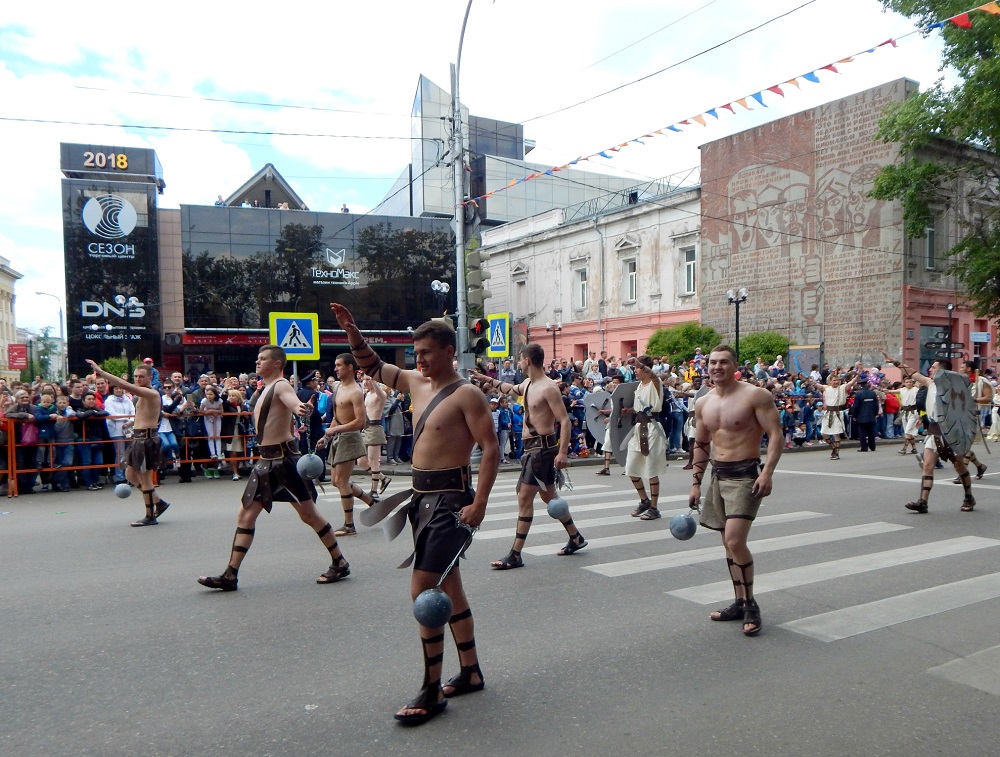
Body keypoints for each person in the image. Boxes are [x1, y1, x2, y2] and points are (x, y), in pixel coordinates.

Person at [330, 302, 499, 726]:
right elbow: (375, 364)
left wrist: (480, 502)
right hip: (420, 500)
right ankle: (472, 672)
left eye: (424, 352)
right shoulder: (413, 383)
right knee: (450, 586)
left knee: (423, 589)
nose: (417, 359)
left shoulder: (467, 394)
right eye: (415, 352)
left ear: (447, 351)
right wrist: (352, 331)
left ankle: (431, 688)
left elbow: (491, 449)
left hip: (449, 502)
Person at [198, 345, 351, 591]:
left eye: (263, 359)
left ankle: (340, 562)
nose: (257, 362)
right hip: (265, 462)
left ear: (278, 364)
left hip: (284, 462)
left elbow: (294, 404)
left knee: (308, 515)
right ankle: (230, 574)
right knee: (245, 514)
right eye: (257, 358)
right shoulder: (266, 387)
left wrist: (303, 409)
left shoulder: (280, 385)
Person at [690, 345, 783, 637]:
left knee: (734, 540)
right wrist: (695, 482)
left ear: (735, 365)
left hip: (746, 476)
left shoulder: (755, 395)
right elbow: (702, 444)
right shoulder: (703, 402)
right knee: (726, 544)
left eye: (723, 362)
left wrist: (767, 473)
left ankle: (751, 604)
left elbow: (777, 434)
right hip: (719, 476)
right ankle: (739, 602)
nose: (717, 367)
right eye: (712, 362)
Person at [472, 342, 587, 570]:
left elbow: (564, 420)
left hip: (542, 451)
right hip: (530, 450)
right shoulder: (527, 384)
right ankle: (576, 538)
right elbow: (509, 388)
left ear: (528, 361)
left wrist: (563, 451)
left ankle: (515, 554)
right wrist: (486, 379)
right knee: (549, 498)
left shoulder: (548, 388)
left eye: (521, 359)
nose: (518, 363)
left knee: (525, 498)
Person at [881, 352, 977, 513]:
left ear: (941, 371)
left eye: (933, 367)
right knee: (927, 465)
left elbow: (963, 410)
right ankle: (923, 501)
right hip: (934, 430)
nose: (930, 369)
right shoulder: (930, 383)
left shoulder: (955, 386)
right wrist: (895, 362)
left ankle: (969, 496)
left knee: (959, 466)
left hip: (952, 431)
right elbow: (912, 372)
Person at [86, 361, 171, 526]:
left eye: (141, 376)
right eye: (136, 376)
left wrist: (100, 371)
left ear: (150, 377)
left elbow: (124, 384)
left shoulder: (151, 393)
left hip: (147, 440)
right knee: (130, 475)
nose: (138, 379)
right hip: (139, 438)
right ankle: (158, 503)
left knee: (145, 478)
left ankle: (150, 516)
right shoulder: (143, 394)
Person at [316, 354, 378, 536]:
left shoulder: (355, 391)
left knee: (341, 481)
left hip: (350, 438)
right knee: (336, 481)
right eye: (335, 365)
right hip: (338, 438)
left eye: (339, 365)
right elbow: (337, 417)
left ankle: (349, 525)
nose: (335, 369)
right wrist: (326, 437)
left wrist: (333, 431)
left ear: (350, 367)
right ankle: (372, 502)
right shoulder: (338, 388)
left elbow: (360, 422)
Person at [623, 355, 670, 520]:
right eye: (635, 368)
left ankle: (654, 508)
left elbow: (654, 376)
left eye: (637, 368)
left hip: (652, 429)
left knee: (651, 470)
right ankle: (644, 500)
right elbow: (640, 408)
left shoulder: (655, 383)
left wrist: (641, 365)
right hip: (638, 429)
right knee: (631, 468)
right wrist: (629, 411)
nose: (635, 371)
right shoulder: (639, 387)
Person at [815, 372, 859, 459]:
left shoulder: (842, 388)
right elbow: (818, 385)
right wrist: (810, 381)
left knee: (836, 433)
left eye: (838, 380)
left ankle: (837, 453)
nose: (837, 382)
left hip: (837, 413)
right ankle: (834, 447)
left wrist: (858, 375)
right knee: (823, 433)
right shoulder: (827, 388)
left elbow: (852, 383)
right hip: (827, 413)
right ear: (830, 382)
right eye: (834, 380)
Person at [360, 374, 391, 497]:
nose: (366, 382)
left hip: (375, 428)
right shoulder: (367, 394)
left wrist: (375, 382)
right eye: (364, 380)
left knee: (373, 460)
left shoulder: (381, 394)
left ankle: (374, 491)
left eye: (368, 380)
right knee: (361, 461)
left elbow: (381, 395)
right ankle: (383, 478)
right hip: (366, 428)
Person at [849, 377, 880, 452]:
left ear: (860, 385)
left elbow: (856, 406)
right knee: (871, 432)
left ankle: (864, 447)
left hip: (861, 416)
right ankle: (872, 446)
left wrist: (854, 415)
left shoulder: (859, 394)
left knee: (862, 432)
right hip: (871, 415)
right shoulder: (872, 393)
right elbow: (876, 404)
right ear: (867, 384)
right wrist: (875, 413)